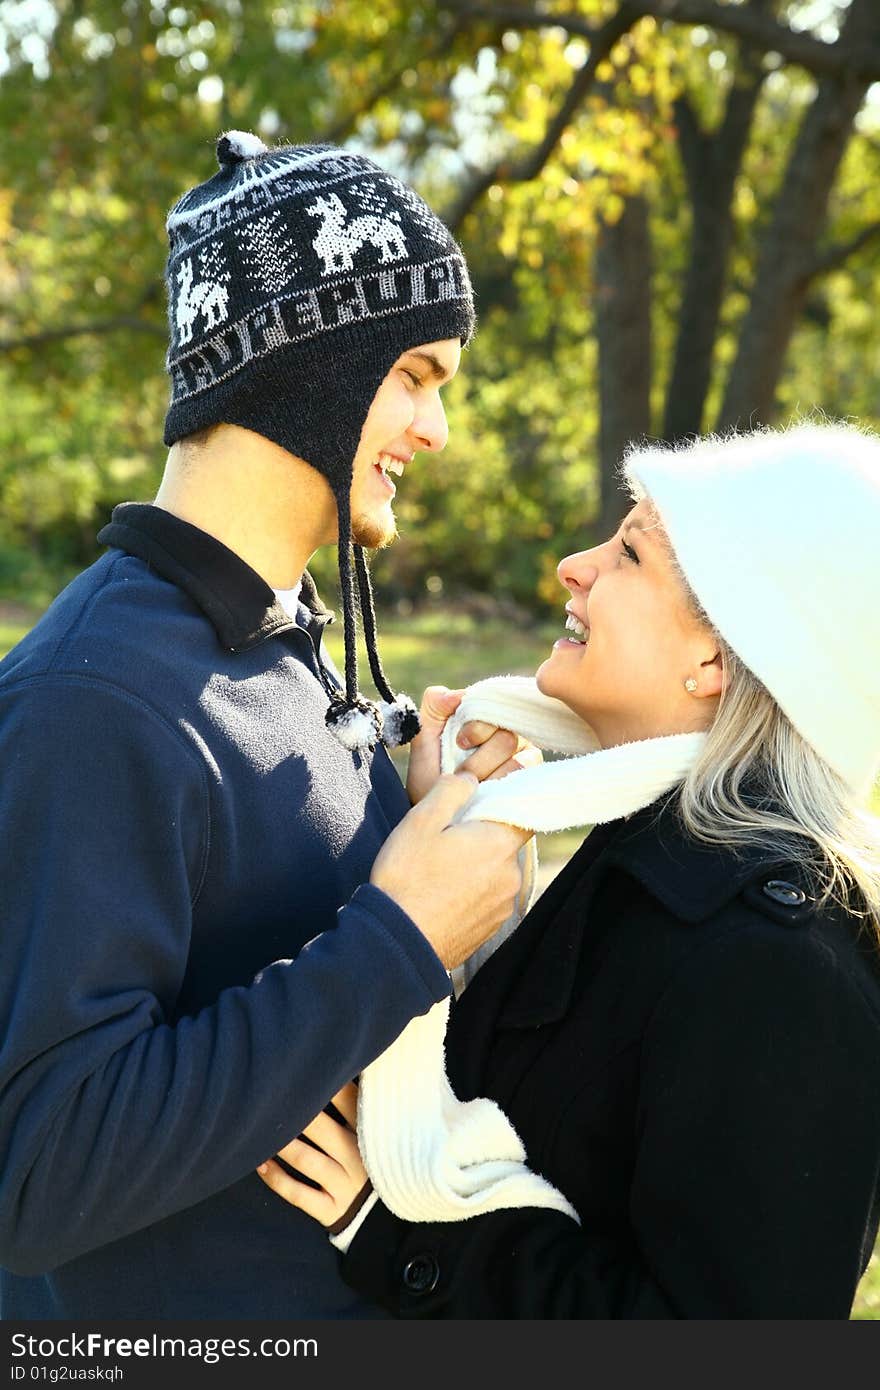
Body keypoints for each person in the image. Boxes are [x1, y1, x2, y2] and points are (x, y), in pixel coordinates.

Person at [0, 132, 534, 1319]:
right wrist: (402, 934)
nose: (435, 431)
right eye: (414, 375)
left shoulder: (272, 644)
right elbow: (38, 1168)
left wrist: (403, 807)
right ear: (311, 369)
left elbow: (257, 939)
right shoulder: (96, 700)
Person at [258, 420, 880, 1319]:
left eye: (630, 553)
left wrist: (398, 1234)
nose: (575, 566)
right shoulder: (649, 850)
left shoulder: (778, 967)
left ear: (717, 656)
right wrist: (453, 818)